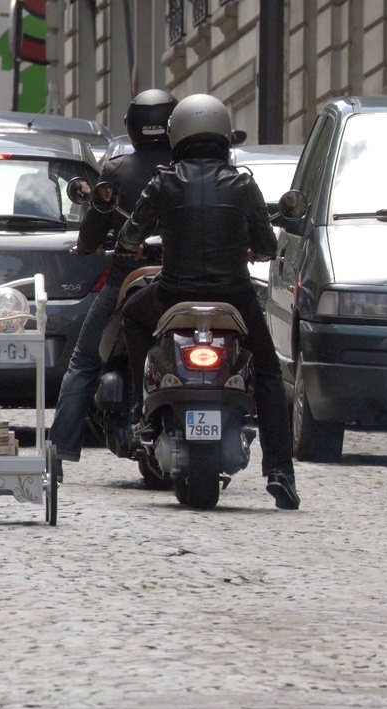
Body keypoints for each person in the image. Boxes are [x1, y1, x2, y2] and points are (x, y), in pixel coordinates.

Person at [117, 94, 299, 510]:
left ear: (177, 134)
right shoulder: (243, 183)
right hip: (232, 297)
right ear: (222, 134)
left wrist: (129, 243)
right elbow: (268, 244)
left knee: (131, 314)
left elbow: (132, 233)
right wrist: (251, 246)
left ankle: (139, 409)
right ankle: (280, 472)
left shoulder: (165, 181)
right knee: (269, 374)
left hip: (172, 294)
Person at [48, 88, 177, 463]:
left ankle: (60, 452)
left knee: (84, 362)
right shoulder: (190, 170)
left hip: (127, 280)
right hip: (185, 274)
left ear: (132, 126)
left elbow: (89, 236)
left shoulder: (118, 171)